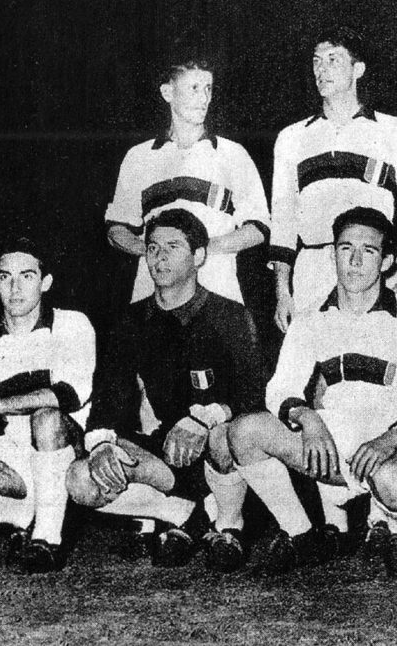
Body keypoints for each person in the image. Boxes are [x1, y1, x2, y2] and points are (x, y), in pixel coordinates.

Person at [227, 207, 397, 577]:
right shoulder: (310, 318)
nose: (354, 261)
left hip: (391, 445)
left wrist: (389, 440)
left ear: (387, 261)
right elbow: (281, 387)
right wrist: (307, 418)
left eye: (368, 251)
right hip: (333, 445)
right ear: (332, 254)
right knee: (244, 431)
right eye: (345, 248)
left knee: (394, 483)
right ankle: (301, 533)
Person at [67, 210, 265, 572]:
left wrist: (205, 419)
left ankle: (229, 526)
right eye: (153, 248)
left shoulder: (230, 315)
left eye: (173, 247)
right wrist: (101, 444)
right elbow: (109, 393)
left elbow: (253, 394)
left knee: (224, 434)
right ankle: (184, 516)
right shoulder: (131, 320)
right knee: (81, 479)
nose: (159, 257)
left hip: (215, 451)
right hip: (167, 451)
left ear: (199, 256)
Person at [270, 26, 397, 329]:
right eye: (317, 61)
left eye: (333, 60)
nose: (322, 70)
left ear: (358, 69)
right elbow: (283, 217)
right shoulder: (291, 137)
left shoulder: (396, 131)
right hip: (313, 269)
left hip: (374, 263)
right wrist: (283, 291)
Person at [105, 54, 270, 304]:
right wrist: (157, 251)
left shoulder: (232, 154)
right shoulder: (138, 157)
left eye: (208, 89)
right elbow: (116, 229)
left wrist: (197, 250)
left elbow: (258, 228)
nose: (204, 99)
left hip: (216, 290)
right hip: (153, 296)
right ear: (168, 92)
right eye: (194, 88)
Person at [0, 238, 95, 573]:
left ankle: (46, 539)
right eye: (6, 277)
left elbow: (70, 394)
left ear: (45, 282)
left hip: (65, 449)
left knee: (46, 417)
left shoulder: (71, 324)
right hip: (11, 457)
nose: (15, 288)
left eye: (27, 276)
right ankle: (21, 516)